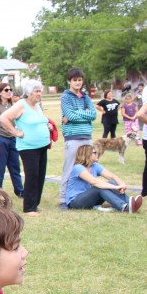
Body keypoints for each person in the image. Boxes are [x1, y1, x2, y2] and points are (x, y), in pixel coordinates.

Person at [0, 80, 51, 216]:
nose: (39, 94)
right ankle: (29, 208)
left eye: (40, 91)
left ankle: (35, 203)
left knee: (40, 175)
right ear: (28, 93)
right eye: (37, 91)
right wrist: (16, 132)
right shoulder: (21, 104)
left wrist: (47, 126)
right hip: (28, 147)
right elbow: (3, 118)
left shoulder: (37, 105)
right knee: (32, 176)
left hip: (42, 146)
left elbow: (38, 120)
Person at [58, 68, 96, 209]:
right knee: (69, 168)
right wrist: (82, 114)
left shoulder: (85, 97)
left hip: (87, 135)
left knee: (88, 167)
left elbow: (93, 115)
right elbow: (70, 115)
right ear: (69, 81)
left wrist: (77, 114)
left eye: (80, 80)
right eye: (75, 80)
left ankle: (86, 196)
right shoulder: (65, 97)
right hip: (73, 137)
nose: (77, 82)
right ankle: (63, 199)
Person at [65, 144, 143, 213]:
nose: (97, 154)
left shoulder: (95, 166)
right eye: (95, 153)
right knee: (98, 187)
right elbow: (94, 182)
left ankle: (130, 203)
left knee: (111, 182)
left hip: (90, 199)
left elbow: (112, 176)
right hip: (75, 202)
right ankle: (123, 207)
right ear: (87, 155)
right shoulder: (78, 168)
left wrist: (121, 184)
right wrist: (116, 187)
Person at [0, 83, 24, 199]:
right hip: (1, 138)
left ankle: (19, 190)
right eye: (6, 90)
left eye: (10, 89)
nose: (9, 92)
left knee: (15, 166)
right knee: (0, 167)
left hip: (12, 138)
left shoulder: (12, 105)